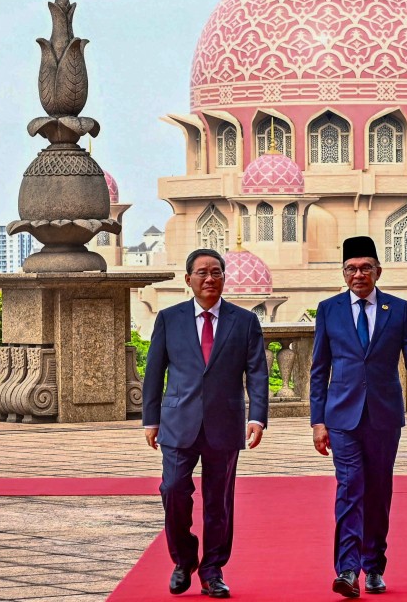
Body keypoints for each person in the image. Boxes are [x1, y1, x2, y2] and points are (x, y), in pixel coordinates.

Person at [310, 235, 407, 598]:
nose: (358, 274)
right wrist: (318, 421)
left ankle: (374, 566)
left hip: (383, 416)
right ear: (343, 273)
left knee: (378, 492)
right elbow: (319, 369)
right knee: (350, 488)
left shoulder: (397, 309)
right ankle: (347, 570)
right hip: (342, 417)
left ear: (378, 271)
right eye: (351, 268)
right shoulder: (329, 309)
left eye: (365, 268)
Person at [143, 248, 269, 598]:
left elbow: (257, 372)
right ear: (188, 280)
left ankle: (212, 570)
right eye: (202, 273)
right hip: (177, 422)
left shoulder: (244, 322)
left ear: (224, 278)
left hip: (224, 424)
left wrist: (257, 416)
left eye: (216, 272)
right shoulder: (169, 319)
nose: (210, 278)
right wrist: (150, 419)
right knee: (172, 490)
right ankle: (184, 559)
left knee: (219, 501)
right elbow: (154, 371)